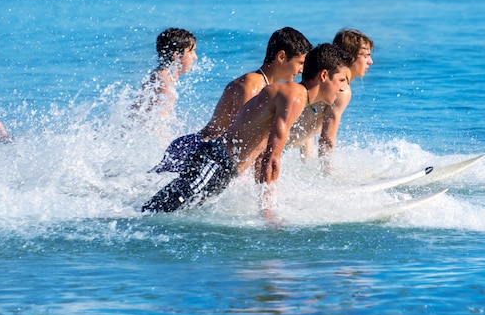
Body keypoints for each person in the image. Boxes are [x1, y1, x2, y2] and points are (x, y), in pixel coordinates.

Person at [141, 43, 352, 214]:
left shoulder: (297, 98)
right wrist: (268, 211)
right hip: (216, 163)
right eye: (341, 79)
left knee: (167, 211)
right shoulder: (294, 96)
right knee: (155, 212)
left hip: (222, 170)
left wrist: (263, 205)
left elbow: (262, 156)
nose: (343, 87)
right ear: (324, 75)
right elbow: (272, 157)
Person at [149, 26, 312, 174]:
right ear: (282, 57)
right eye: (300, 63)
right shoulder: (252, 85)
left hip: (206, 155)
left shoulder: (267, 88)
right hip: (194, 150)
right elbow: (239, 141)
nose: (302, 70)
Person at [287, 28, 374, 168]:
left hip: (275, 144)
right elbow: (326, 140)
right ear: (350, 56)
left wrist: (306, 165)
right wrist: (328, 179)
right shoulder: (342, 91)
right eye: (365, 56)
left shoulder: (322, 83)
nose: (370, 61)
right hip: (277, 145)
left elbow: (307, 123)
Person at [132, 27, 198, 120]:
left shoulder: (161, 74)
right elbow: (159, 122)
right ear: (176, 55)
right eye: (191, 52)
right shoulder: (164, 80)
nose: (195, 57)